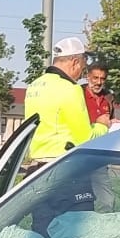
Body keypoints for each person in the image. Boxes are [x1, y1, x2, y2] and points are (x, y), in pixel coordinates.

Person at [23, 37, 95, 166]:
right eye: (83, 67)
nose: (81, 74)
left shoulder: (34, 85)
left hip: (35, 164)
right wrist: (103, 125)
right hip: (61, 162)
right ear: (75, 62)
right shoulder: (71, 89)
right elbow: (85, 138)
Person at [83, 54, 116, 134]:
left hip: (102, 143)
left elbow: (111, 119)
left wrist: (113, 122)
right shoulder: (79, 94)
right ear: (88, 76)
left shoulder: (108, 97)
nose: (99, 82)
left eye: (102, 79)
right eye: (95, 78)